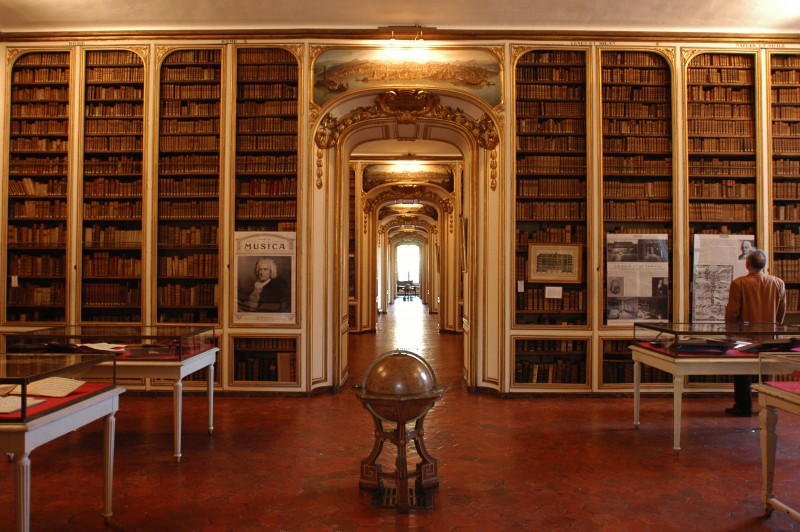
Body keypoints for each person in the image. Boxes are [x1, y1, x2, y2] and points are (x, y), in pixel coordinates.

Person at [723, 248, 786, 416]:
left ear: (747, 263)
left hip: (745, 337)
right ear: (764, 264)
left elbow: (732, 313)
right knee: (767, 372)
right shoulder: (778, 283)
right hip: (771, 338)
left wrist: (730, 333)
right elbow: (781, 312)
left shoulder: (739, 283)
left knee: (742, 371)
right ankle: (770, 405)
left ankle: (744, 406)